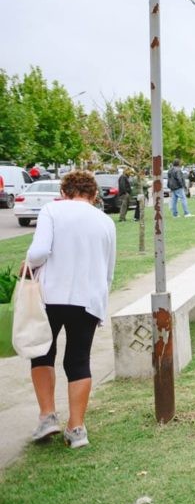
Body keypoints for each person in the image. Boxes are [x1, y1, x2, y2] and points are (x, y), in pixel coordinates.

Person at [24, 170, 116, 449]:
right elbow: (109, 268)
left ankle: (47, 416)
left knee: (42, 354)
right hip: (88, 297)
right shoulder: (106, 221)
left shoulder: (52, 210)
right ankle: (76, 428)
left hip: (51, 295)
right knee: (78, 360)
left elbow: (39, 252)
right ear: (95, 194)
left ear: (63, 192)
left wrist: (28, 261)